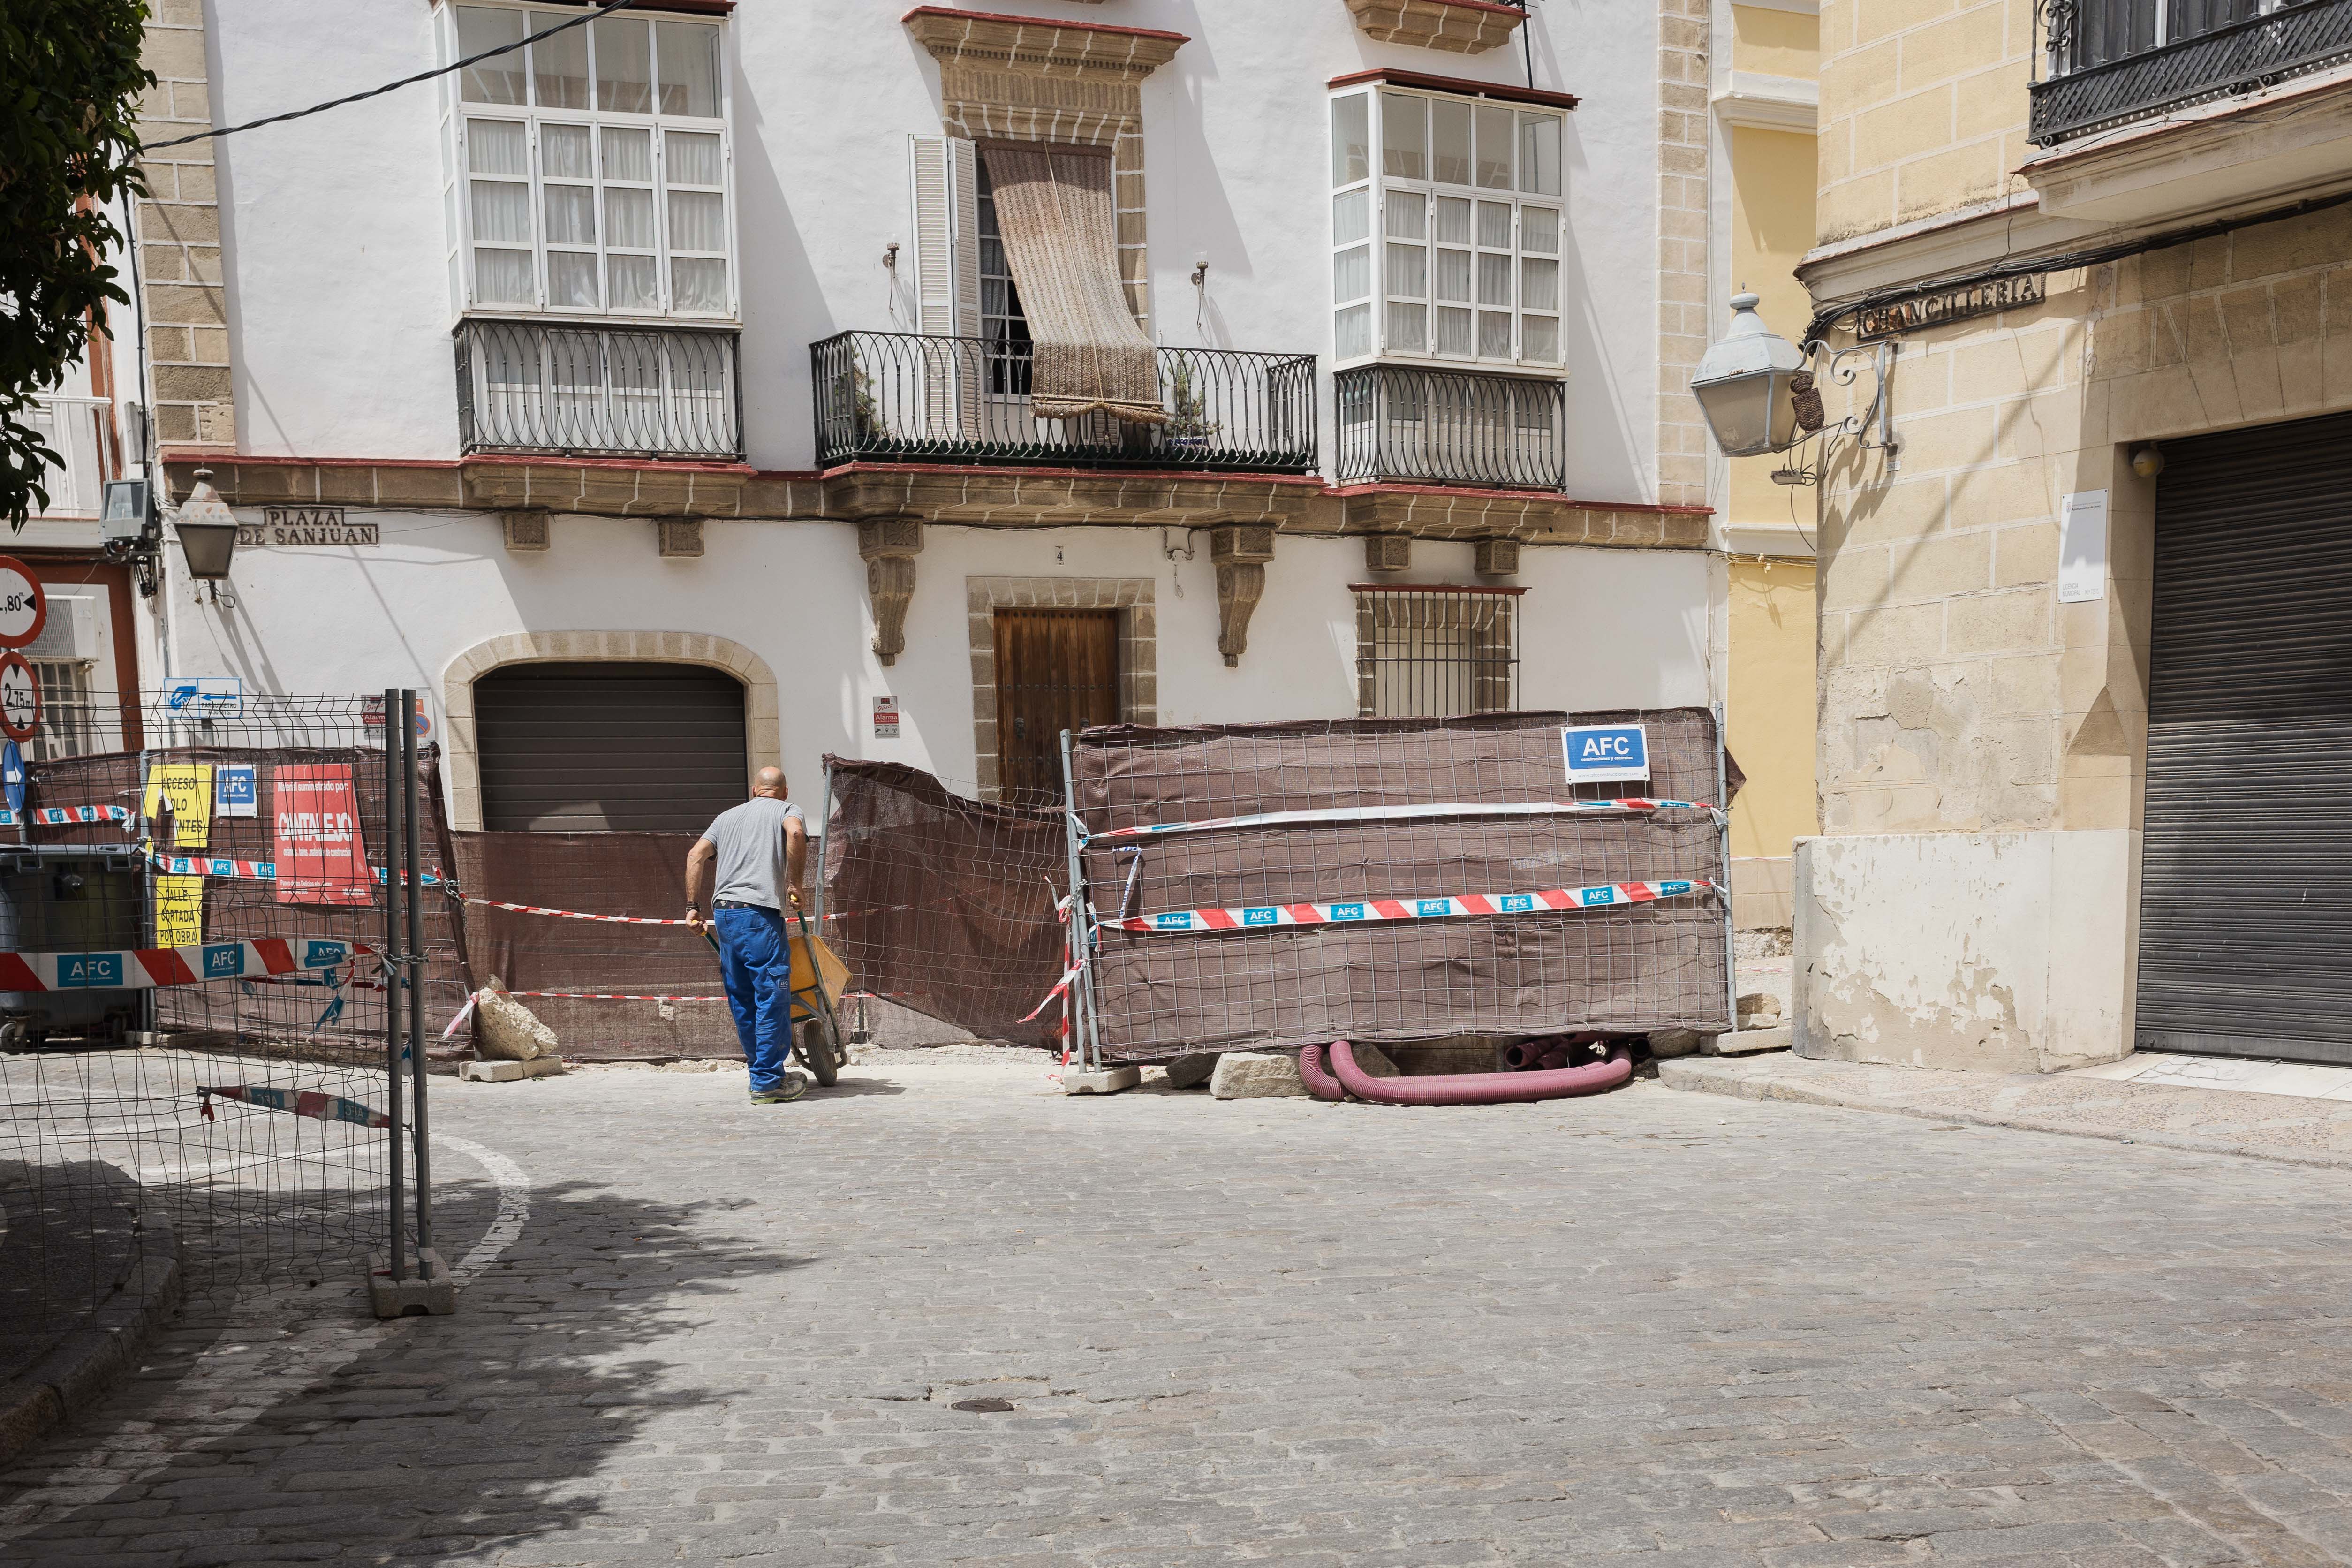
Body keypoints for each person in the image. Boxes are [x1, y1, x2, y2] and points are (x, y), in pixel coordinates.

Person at [685, 767, 811, 1104]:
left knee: (742, 997)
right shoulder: (788, 810)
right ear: (784, 791)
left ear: (755, 789)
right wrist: (795, 884)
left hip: (724, 914)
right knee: (771, 995)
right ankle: (768, 1082)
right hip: (759, 914)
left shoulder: (726, 817)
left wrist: (691, 907)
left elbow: (695, 855)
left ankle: (763, 1074)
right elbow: (796, 834)